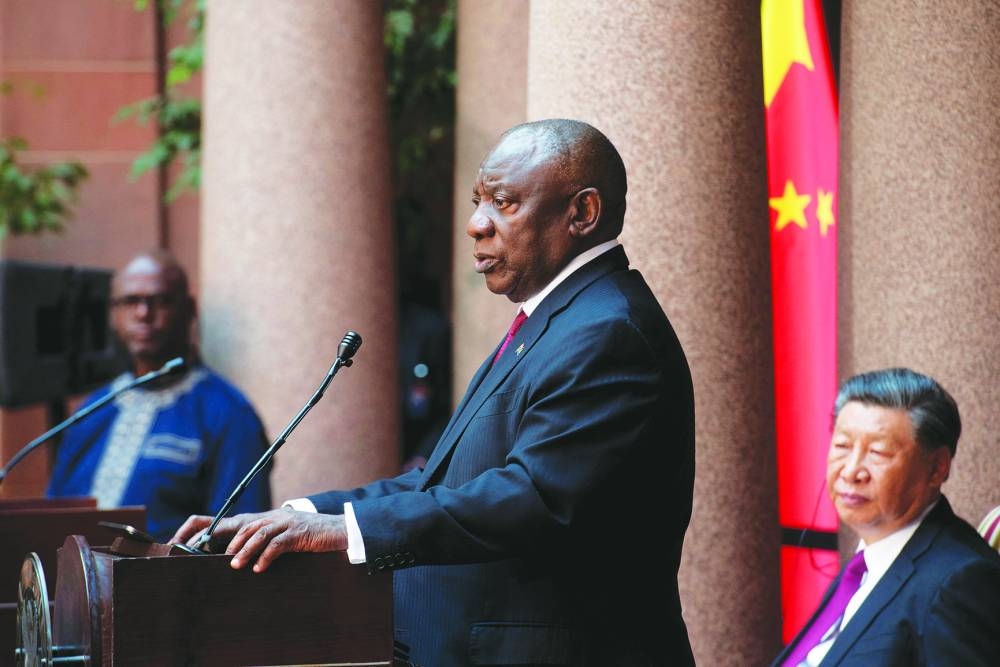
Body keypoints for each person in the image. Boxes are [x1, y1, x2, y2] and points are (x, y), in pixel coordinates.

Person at [173, 119, 696, 666]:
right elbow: (445, 482)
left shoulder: (607, 331)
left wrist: (346, 531)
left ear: (581, 214)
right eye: (477, 202)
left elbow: (534, 498)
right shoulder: (560, 321)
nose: (476, 224)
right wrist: (298, 515)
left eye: (503, 202)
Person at [772, 367, 1000, 667]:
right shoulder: (866, 561)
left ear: (937, 468)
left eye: (878, 452)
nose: (851, 470)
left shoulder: (958, 582)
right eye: (842, 446)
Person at [47, 250, 272, 541]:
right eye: (130, 302)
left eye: (160, 301)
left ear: (189, 310)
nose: (143, 314)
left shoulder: (228, 414)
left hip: (166, 583)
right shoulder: (91, 411)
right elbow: (52, 516)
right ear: (113, 315)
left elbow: (237, 536)